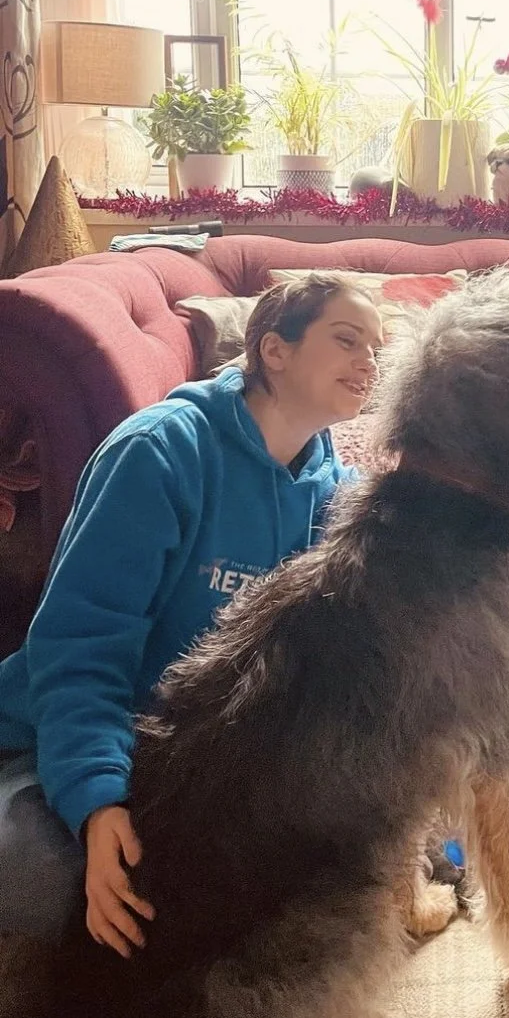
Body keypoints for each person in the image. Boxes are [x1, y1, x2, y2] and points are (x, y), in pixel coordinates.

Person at [0, 273, 382, 957]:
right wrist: (96, 801)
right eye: (347, 339)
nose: (369, 361)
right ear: (275, 350)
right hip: (60, 730)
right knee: (42, 873)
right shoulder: (158, 452)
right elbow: (81, 648)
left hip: (193, 758)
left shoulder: (340, 498)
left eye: (376, 348)